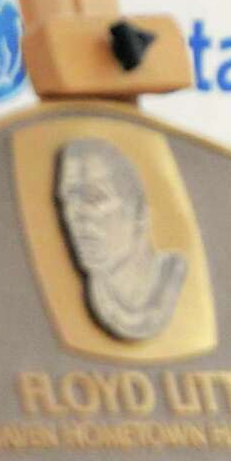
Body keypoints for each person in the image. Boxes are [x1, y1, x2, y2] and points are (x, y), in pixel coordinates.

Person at [56, 138, 186, 341]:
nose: (76, 217)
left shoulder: (175, 280)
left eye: (93, 197)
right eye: (67, 201)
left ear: (140, 212)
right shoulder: (88, 296)